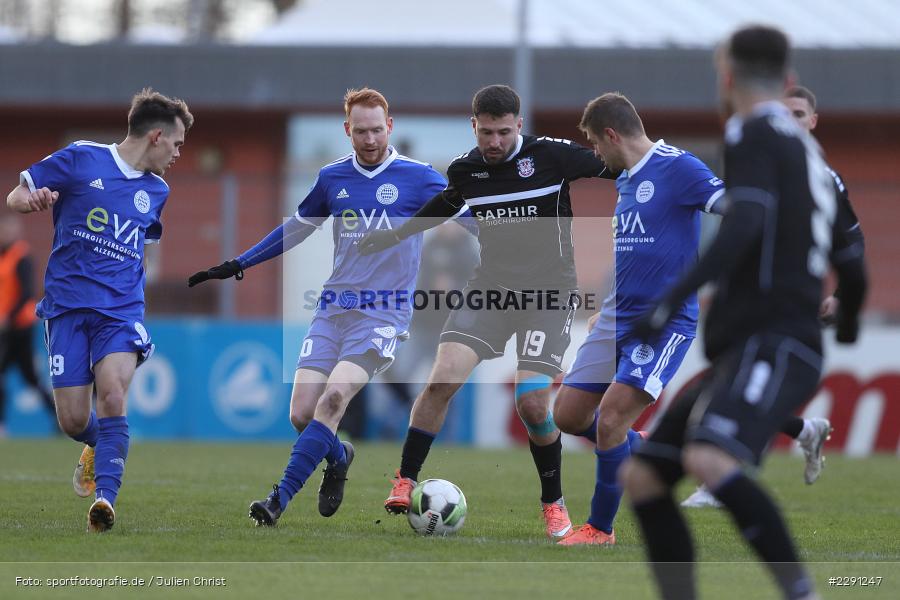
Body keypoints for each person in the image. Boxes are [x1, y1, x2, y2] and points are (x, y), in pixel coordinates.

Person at [621, 25, 867, 600]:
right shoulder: (811, 157)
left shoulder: (752, 131)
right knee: (646, 475)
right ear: (785, 81)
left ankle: (804, 593)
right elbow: (852, 261)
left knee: (708, 456)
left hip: (774, 337)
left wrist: (669, 300)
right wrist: (849, 320)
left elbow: (746, 220)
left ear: (726, 78)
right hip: (756, 344)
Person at [359, 84, 616, 540]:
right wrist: (393, 235)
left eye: (502, 132)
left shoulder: (554, 156)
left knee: (533, 403)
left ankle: (553, 503)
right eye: (485, 133)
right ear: (472, 126)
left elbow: (617, 164)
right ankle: (405, 479)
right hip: (490, 288)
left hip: (549, 295)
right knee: (442, 377)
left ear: (518, 125)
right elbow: (446, 203)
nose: (493, 142)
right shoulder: (467, 170)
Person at [188, 88, 455, 527]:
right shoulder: (333, 178)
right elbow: (296, 229)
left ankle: (277, 501)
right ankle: (339, 455)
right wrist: (239, 263)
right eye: (360, 131)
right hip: (333, 309)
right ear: (347, 130)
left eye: (377, 130)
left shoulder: (418, 177)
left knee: (333, 399)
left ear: (390, 127)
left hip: (383, 313)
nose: (369, 140)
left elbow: (467, 214)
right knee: (302, 414)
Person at [6, 88, 192, 532]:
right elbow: (15, 194)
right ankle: (99, 443)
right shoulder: (80, 158)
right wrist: (28, 201)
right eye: (177, 144)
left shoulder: (157, 191)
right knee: (72, 419)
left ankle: (105, 500)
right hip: (67, 309)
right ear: (155, 136)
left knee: (112, 393)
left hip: (120, 312)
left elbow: (145, 254)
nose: (178, 154)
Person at [549, 93, 726, 545]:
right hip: (614, 318)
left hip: (664, 323)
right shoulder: (626, 180)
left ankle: (599, 529)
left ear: (611, 134)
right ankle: (643, 447)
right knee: (567, 415)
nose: (594, 153)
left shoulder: (678, 166)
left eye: (593, 143)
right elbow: (630, 252)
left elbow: (730, 206)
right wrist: (603, 308)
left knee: (609, 421)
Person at [681, 83, 867, 509]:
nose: (792, 123)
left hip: (788, 307)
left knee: (739, 386)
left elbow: (851, 246)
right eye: (785, 116)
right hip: (744, 302)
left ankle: (718, 480)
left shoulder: (822, 179)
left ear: (813, 121)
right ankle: (804, 432)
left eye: (800, 115)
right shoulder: (758, 168)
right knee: (731, 384)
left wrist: (841, 297)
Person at [0, 214, 57, 436]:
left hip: (20, 327)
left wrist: (8, 316)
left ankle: (60, 417)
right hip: (6, 328)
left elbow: (26, 293)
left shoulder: (22, 256)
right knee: (27, 378)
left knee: (31, 379)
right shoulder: (3, 256)